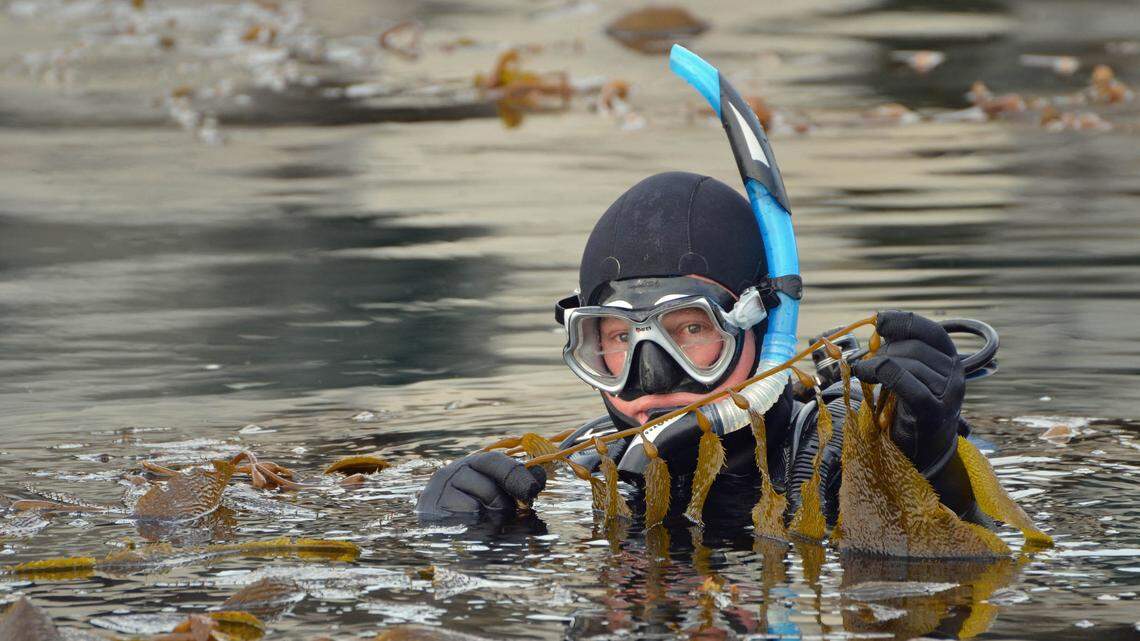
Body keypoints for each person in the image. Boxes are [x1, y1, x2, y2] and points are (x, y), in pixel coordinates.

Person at [416, 170, 986, 529]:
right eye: (617, 338)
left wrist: (929, 467)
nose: (653, 377)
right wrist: (462, 531)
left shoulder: (835, 451)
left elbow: (955, 570)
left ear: (763, 331)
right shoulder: (583, 467)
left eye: (689, 330)